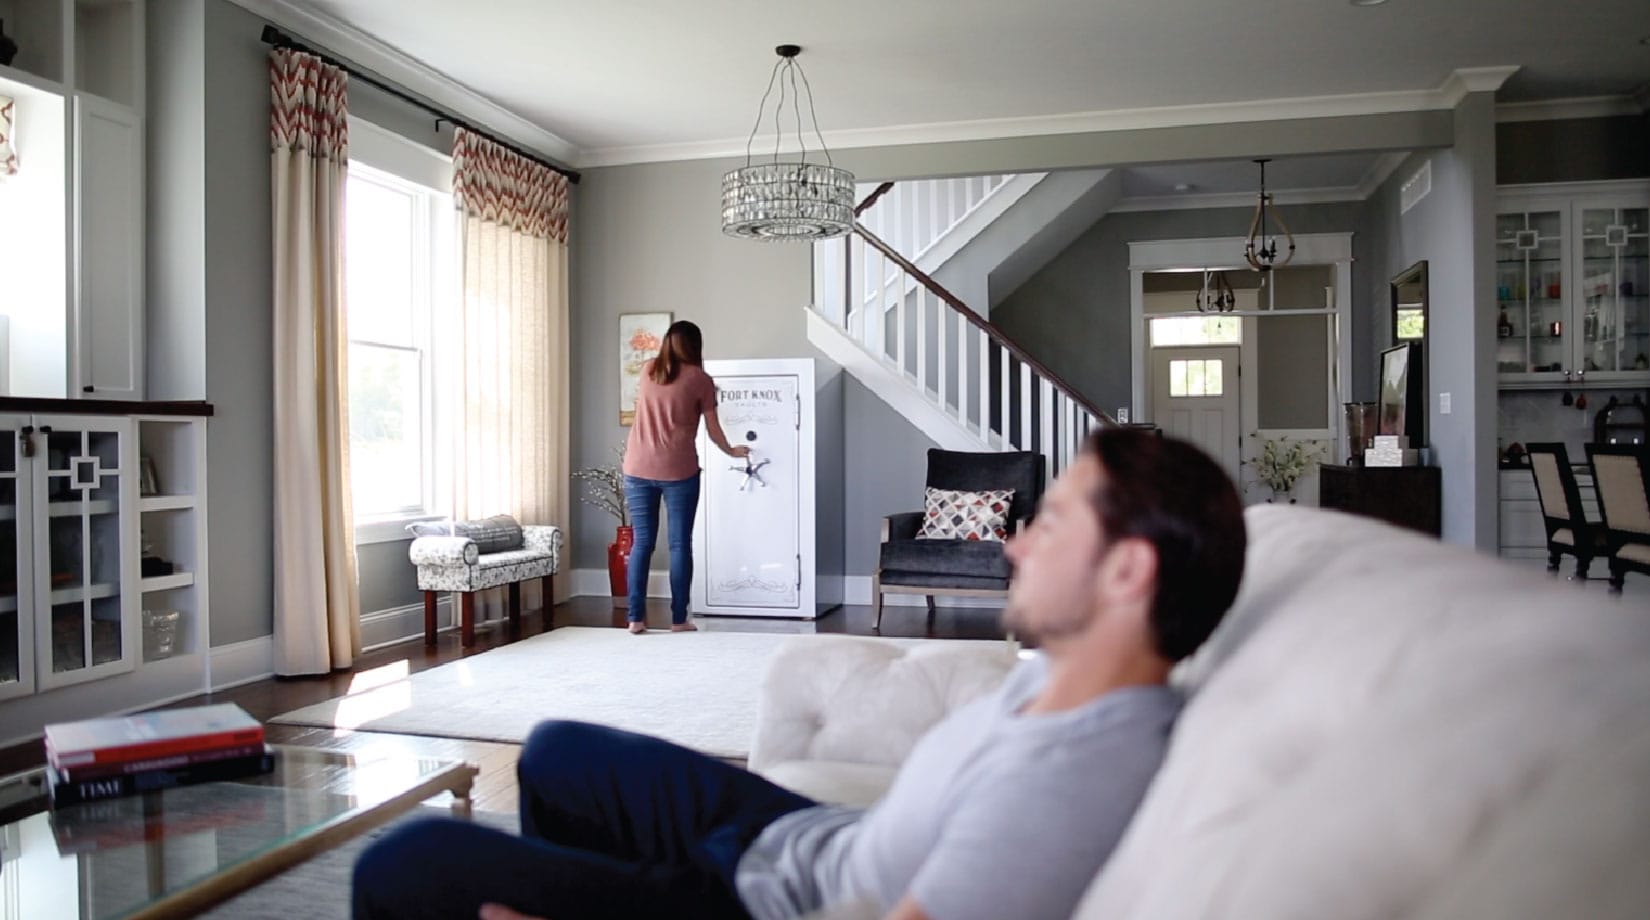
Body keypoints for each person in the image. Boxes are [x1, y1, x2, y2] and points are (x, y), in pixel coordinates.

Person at [352, 429, 1247, 920]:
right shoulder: (1070, 675)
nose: (1013, 544)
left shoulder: (1073, 782)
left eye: (1048, 524)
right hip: (809, 833)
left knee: (410, 863)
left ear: (1127, 572)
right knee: (554, 751)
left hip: (772, 900)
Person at [621, 320, 748, 634]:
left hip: (637, 468)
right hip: (678, 471)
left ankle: (635, 619)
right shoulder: (701, 380)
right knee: (679, 544)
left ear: (666, 342)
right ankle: (679, 619)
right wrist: (733, 451)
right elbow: (713, 430)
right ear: (695, 345)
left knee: (641, 544)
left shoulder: (648, 370)